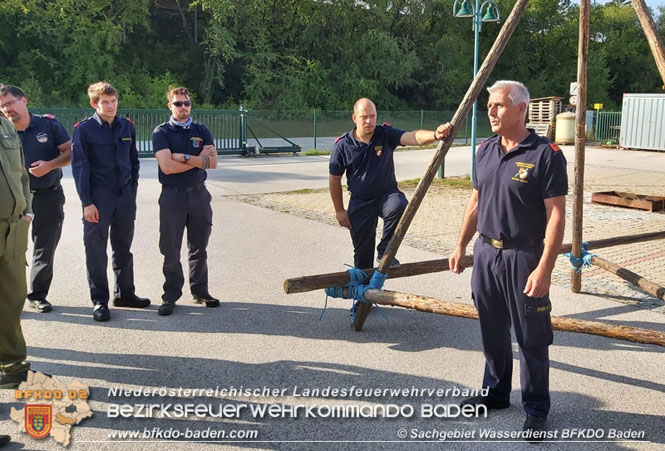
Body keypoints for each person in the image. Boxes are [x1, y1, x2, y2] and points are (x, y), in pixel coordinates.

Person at [449, 80, 567, 441]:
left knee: (531, 335)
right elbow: (475, 201)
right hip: (486, 254)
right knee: (492, 329)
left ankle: (535, 408)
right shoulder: (484, 149)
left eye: (498, 105)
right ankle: (496, 393)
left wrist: (545, 268)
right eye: (489, 106)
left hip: (523, 255)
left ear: (520, 109)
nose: (491, 112)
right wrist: (461, 245)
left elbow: (557, 214)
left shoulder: (546, 154)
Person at [329, 97, 452, 269]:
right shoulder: (343, 145)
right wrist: (339, 210)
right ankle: (364, 295)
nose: (369, 121)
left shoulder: (385, 134)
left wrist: (435, 135)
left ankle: (386, 251)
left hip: (386, 195)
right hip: (360, 202)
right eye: (364, 117)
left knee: (399, 206)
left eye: (372, 116)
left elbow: (411, 137)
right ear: (354, 118)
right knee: (363, 257)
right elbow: (334, 179)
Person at [71, 82, 150, 322]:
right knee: (96, 250)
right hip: (98, 198)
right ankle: (100, 301)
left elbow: (134, 162)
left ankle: (125, 294)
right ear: (94, 104)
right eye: (105, 102)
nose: (111, 105)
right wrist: (87, 203)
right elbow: (80, 168)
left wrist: (132, 191)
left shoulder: (126, 126)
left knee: (123, 248)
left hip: (124, 197)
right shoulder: (84, 130)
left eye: (113, 100)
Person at [0, 85, 71, 313]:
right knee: (11, 251)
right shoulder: (3, 130)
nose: (7, 109)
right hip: (14, 202)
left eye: (10, 103)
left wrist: (50, 165)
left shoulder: (48, 125)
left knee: (44, 248)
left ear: (24, 100)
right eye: (2, 106)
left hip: (48, 196)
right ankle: (11, 299)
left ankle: (38, 295)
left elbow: (71, 152)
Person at [151, 86, 218, 316]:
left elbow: (212, 163)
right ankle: (170, 295)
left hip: (199, 194)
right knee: (170, 247)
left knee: (199, 246)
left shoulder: (202, 130)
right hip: (173, 195)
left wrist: (184, 156)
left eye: (186, 103)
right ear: (170, 106)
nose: (183, 108)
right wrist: (198, 160)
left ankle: (200, 290)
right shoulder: (161, 133)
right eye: (178, 104)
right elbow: (167, 167)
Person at [0, 112, 33, 388]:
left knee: (12, 300)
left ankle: (13, 367)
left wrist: (27, 209)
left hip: (13, 229)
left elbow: (21, 174)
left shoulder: (5, 125)